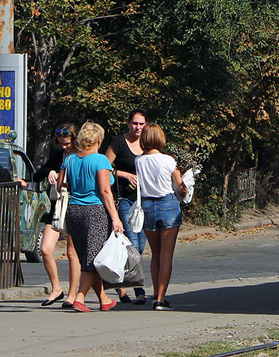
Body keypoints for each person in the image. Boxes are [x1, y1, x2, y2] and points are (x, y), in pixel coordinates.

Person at [64, 121, 124, 312]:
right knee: (93, 259)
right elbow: (106, 192)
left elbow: (60, 186)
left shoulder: (71, 159)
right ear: (99, 140)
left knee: (88, 257)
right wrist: (115, 217)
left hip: (73, 210)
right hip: (95, 212)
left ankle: (104, 299)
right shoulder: (100, 160)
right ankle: (79, 298)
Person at [135, 123, 188, 311]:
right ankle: (161, 298)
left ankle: (156, 293)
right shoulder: (168, 161)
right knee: (166, 255)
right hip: (167, 205)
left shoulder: (138, 161)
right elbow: (181, 187)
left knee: (155, 254)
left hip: (147, 206)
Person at [33, 122, 81, 308]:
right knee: (45, 249)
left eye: (67, 143)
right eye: (61, 143)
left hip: (75, 205)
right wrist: (50, 171)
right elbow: (37, 175)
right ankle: (56, 288)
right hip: (57, 208)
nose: (64, 146)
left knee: (72, 253)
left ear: (75, 141)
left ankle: (72, 294)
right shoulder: (58, 157)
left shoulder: (80, 157)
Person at [106, 110, 148, 304]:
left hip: (144, 201)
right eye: (134, 123)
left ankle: (122, 284)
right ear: (128, 123)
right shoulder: (119, 143)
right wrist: (124, 175)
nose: (137, 127)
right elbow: (104, 167)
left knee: (140, 246)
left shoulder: (148, 143)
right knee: (132, 244)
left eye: (141, 124)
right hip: (125, 200)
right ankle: (138, 290)